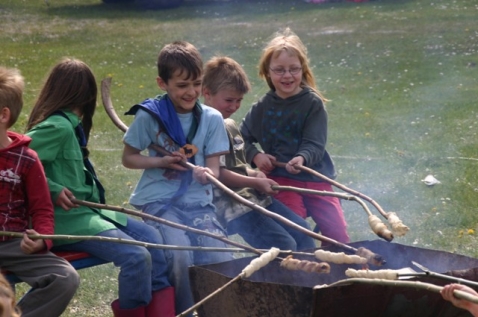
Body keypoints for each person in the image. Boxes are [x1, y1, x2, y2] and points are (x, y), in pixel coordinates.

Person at [25, 58, 175, 317]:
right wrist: (52, 189)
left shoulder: (70, 126)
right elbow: (15, 161)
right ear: (86, 95)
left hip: (91, 216)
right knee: (137, 256)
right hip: (68, 222)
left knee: (154, 239)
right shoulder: (57, 126)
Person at [122, 41, 233, 316]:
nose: (191, 92)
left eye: (196, 83)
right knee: (179, 252)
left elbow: (214, 169)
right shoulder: (150, 116)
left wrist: (206, 173)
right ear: (163, 83)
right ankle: (184, 311)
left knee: (219, 253)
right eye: (182, 85)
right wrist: (160, 161)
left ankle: (217, 311)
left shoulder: (212, 118)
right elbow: (129, 157)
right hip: (159, 200)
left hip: (198, 201)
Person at [239, 27, 350, 246]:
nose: (287, 75)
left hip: (315, 178)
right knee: (298, 232)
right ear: (267, 72)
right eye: (279, 70)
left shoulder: (312, 103)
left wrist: (302, 158)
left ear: (303, 70)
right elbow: (240, 138)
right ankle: (302, 277)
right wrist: (255, 156)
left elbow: (314, 144)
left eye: (294, 69)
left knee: (338, 236)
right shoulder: (262, 107)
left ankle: (345, 273)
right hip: (281, 180)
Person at [202, 56, 316, 251]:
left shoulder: (228, 124)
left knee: (303, 232)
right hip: (235, 207)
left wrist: (255, 174)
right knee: (283, 246)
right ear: (207, 94)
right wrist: (255, 182)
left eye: (239, 100)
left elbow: (236, 165)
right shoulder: (205, 129)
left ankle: (311, 279)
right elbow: (218, 174)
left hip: (253, 196)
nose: (234, 106)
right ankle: (276, 280)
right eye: (229, 100)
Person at [0, 66, 79, 317]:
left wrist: (41, 239)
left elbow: (42, 209)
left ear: (3, 115)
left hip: (15, 244)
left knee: (65, 278)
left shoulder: (27, 159)